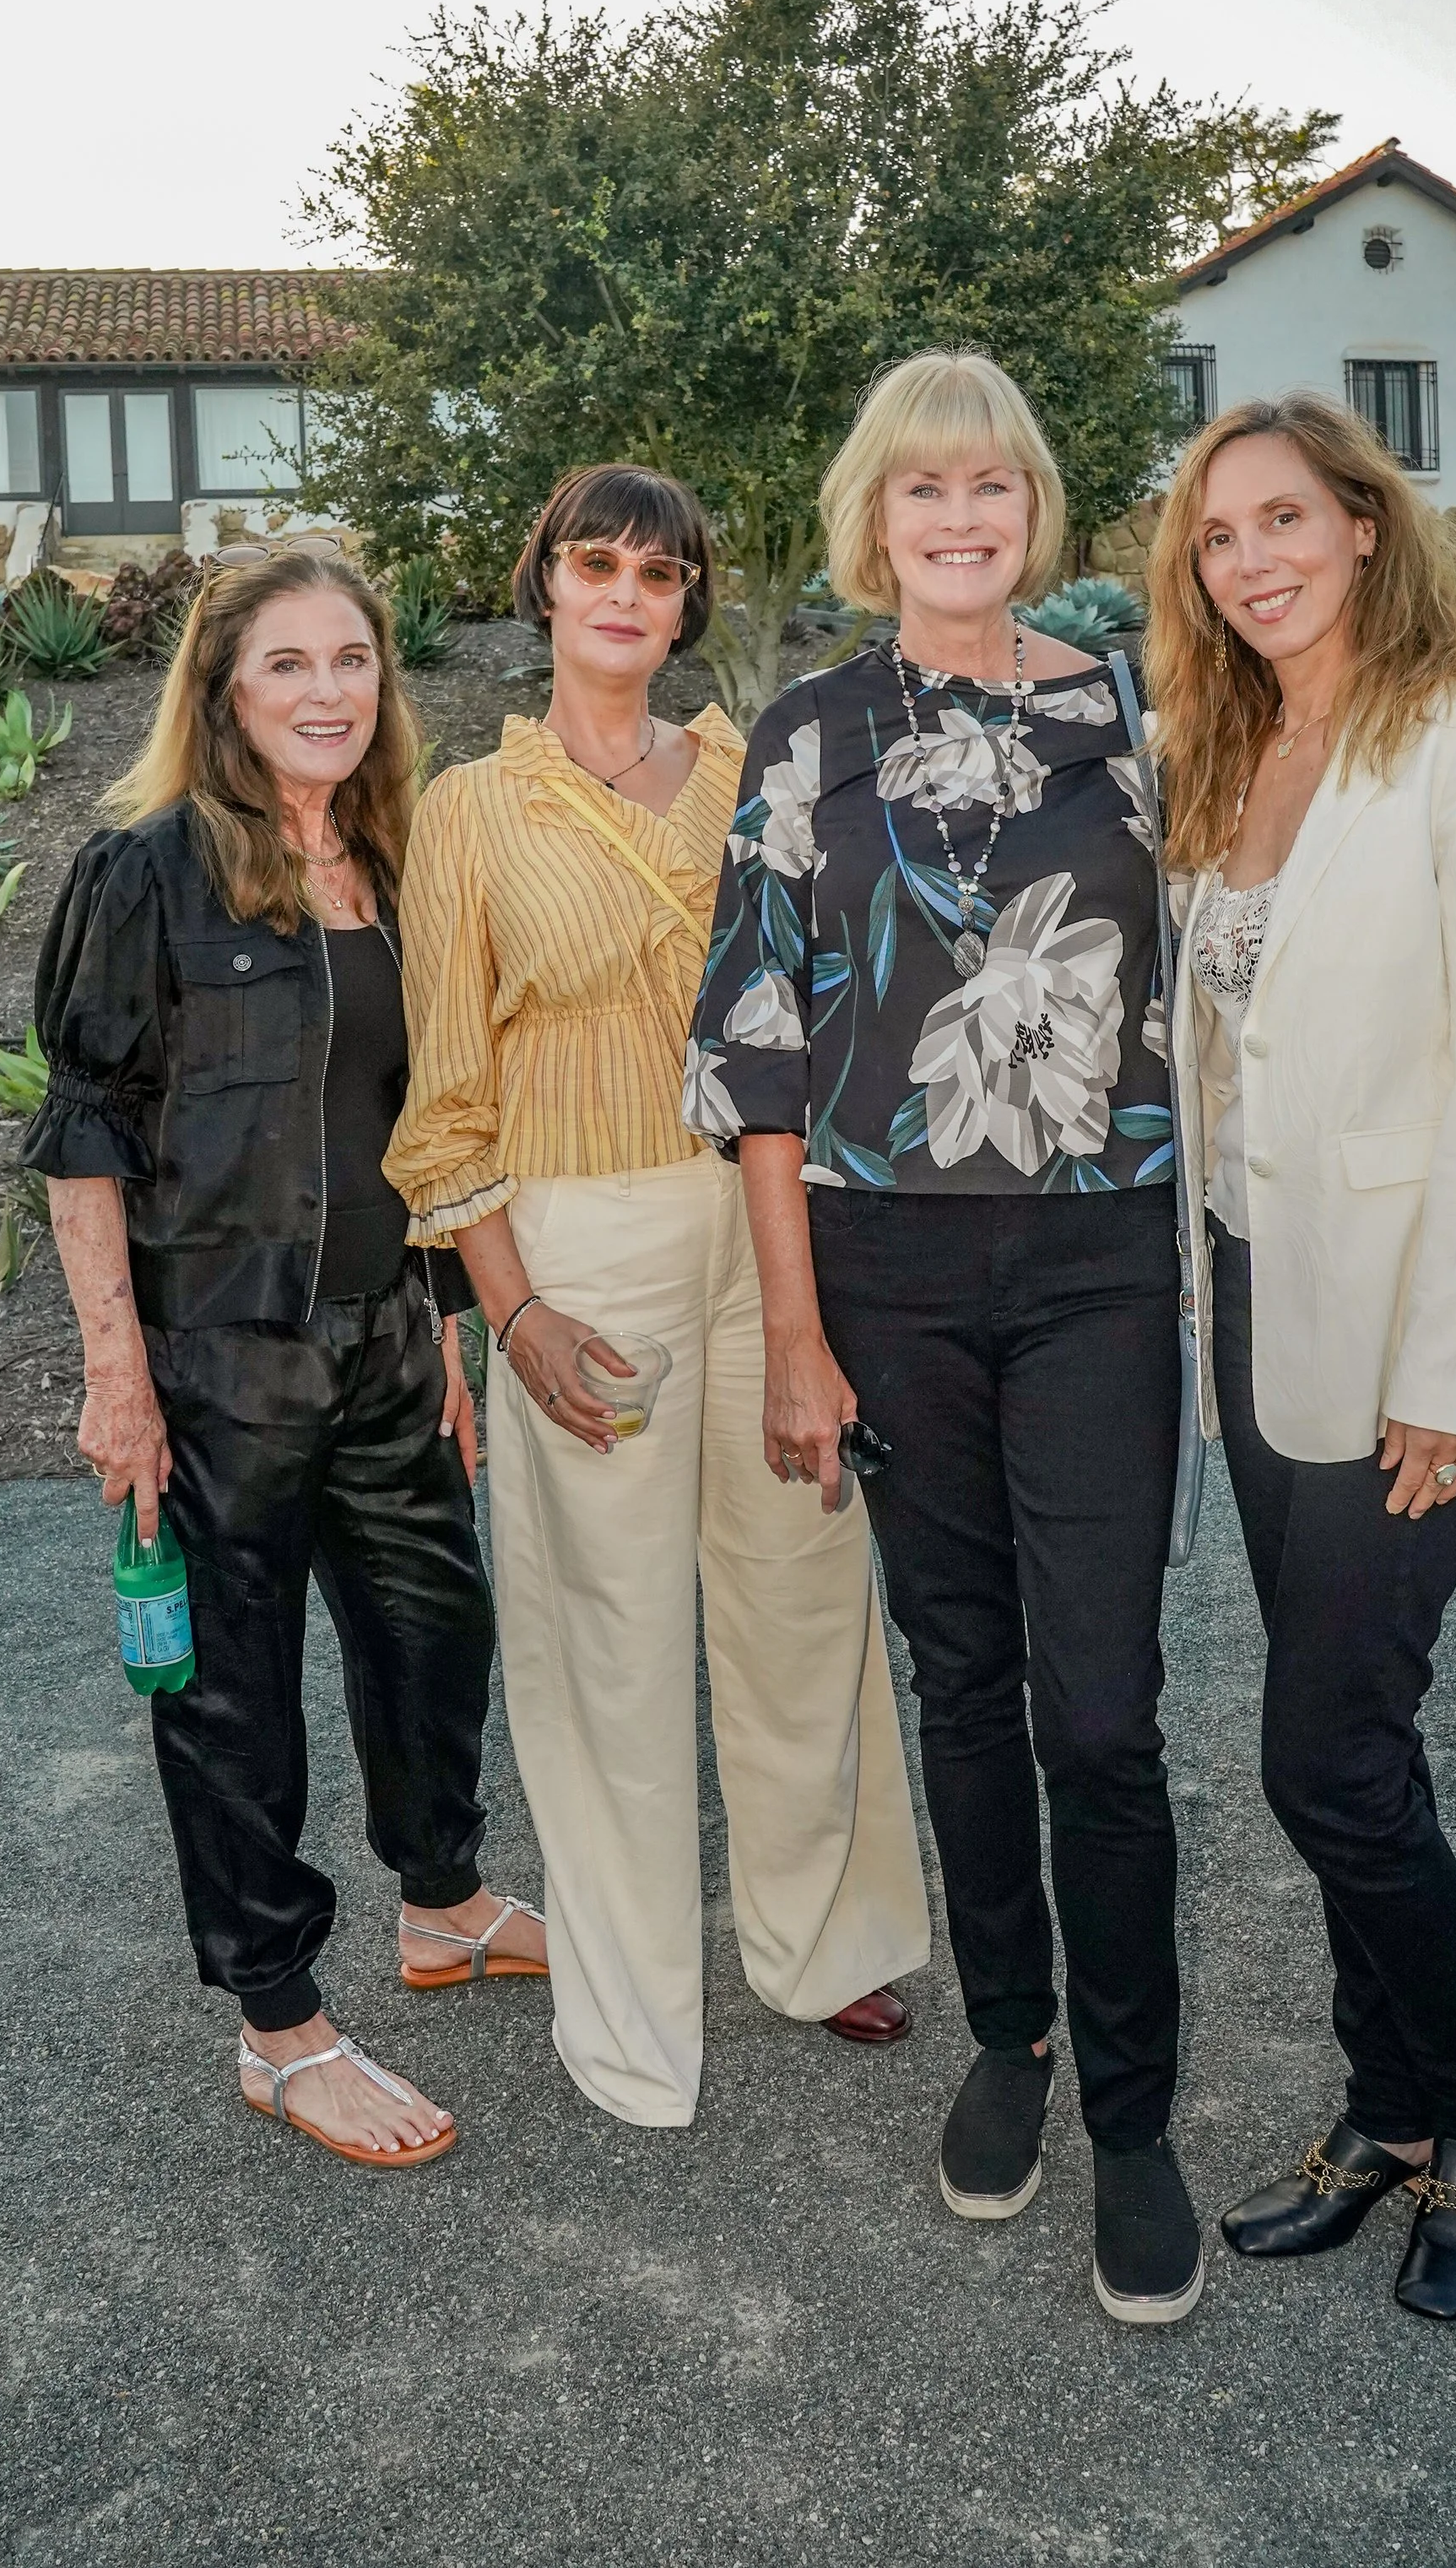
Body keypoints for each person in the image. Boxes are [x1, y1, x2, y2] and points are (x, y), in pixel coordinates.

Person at [692, 351, 1204, 2327]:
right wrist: (792, 1339)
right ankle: (1015, 2036)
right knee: (963, 1679)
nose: (961, 518)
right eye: (924, 491)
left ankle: (1134, 2117)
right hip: (881, 1266)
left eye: (993, 486)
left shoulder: (1137, 715)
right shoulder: (806, 730)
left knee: (1100, 1707)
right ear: (872, 518)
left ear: (1034, 512)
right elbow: (750, 1041)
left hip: (1096, 1260)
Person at [387, 464, 928, 2131]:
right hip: (576, 1245)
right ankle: (629, 2009)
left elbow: (834, 1009)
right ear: (543, 584)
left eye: (658, 572)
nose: (623, 594)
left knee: (801, 1592)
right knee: (604, 1637)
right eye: (593, 564)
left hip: (765, 1225)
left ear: (689, 602)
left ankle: (819, 1932)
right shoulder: (471, 810)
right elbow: (443, 1091)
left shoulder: (754, 776)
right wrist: (509, 1306)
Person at [1150, 390, 1456, 2322]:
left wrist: (1452, 1365)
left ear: (1356, 523)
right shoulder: (1231, 747)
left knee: (1326, 1759)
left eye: (1279, 521)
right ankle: (1385, 2108)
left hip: (1414, 1326)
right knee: (1350, 1732)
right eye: (1214, 539)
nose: (1248, 562)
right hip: (1257, 1302)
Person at [29, 549, 539, 2170]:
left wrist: (449, 1326)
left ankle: (445, 1901)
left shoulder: (403, 861)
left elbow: (427, 1115)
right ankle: (280, 2022)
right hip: (216, 1365)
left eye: (352, 663)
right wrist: (117, 1374)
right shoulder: (148, 874)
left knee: (433, 1635)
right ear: (225, 691)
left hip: (388, 1338)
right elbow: (85, 1133)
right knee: (234, 1700)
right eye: (286, 666)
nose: (327, 693)